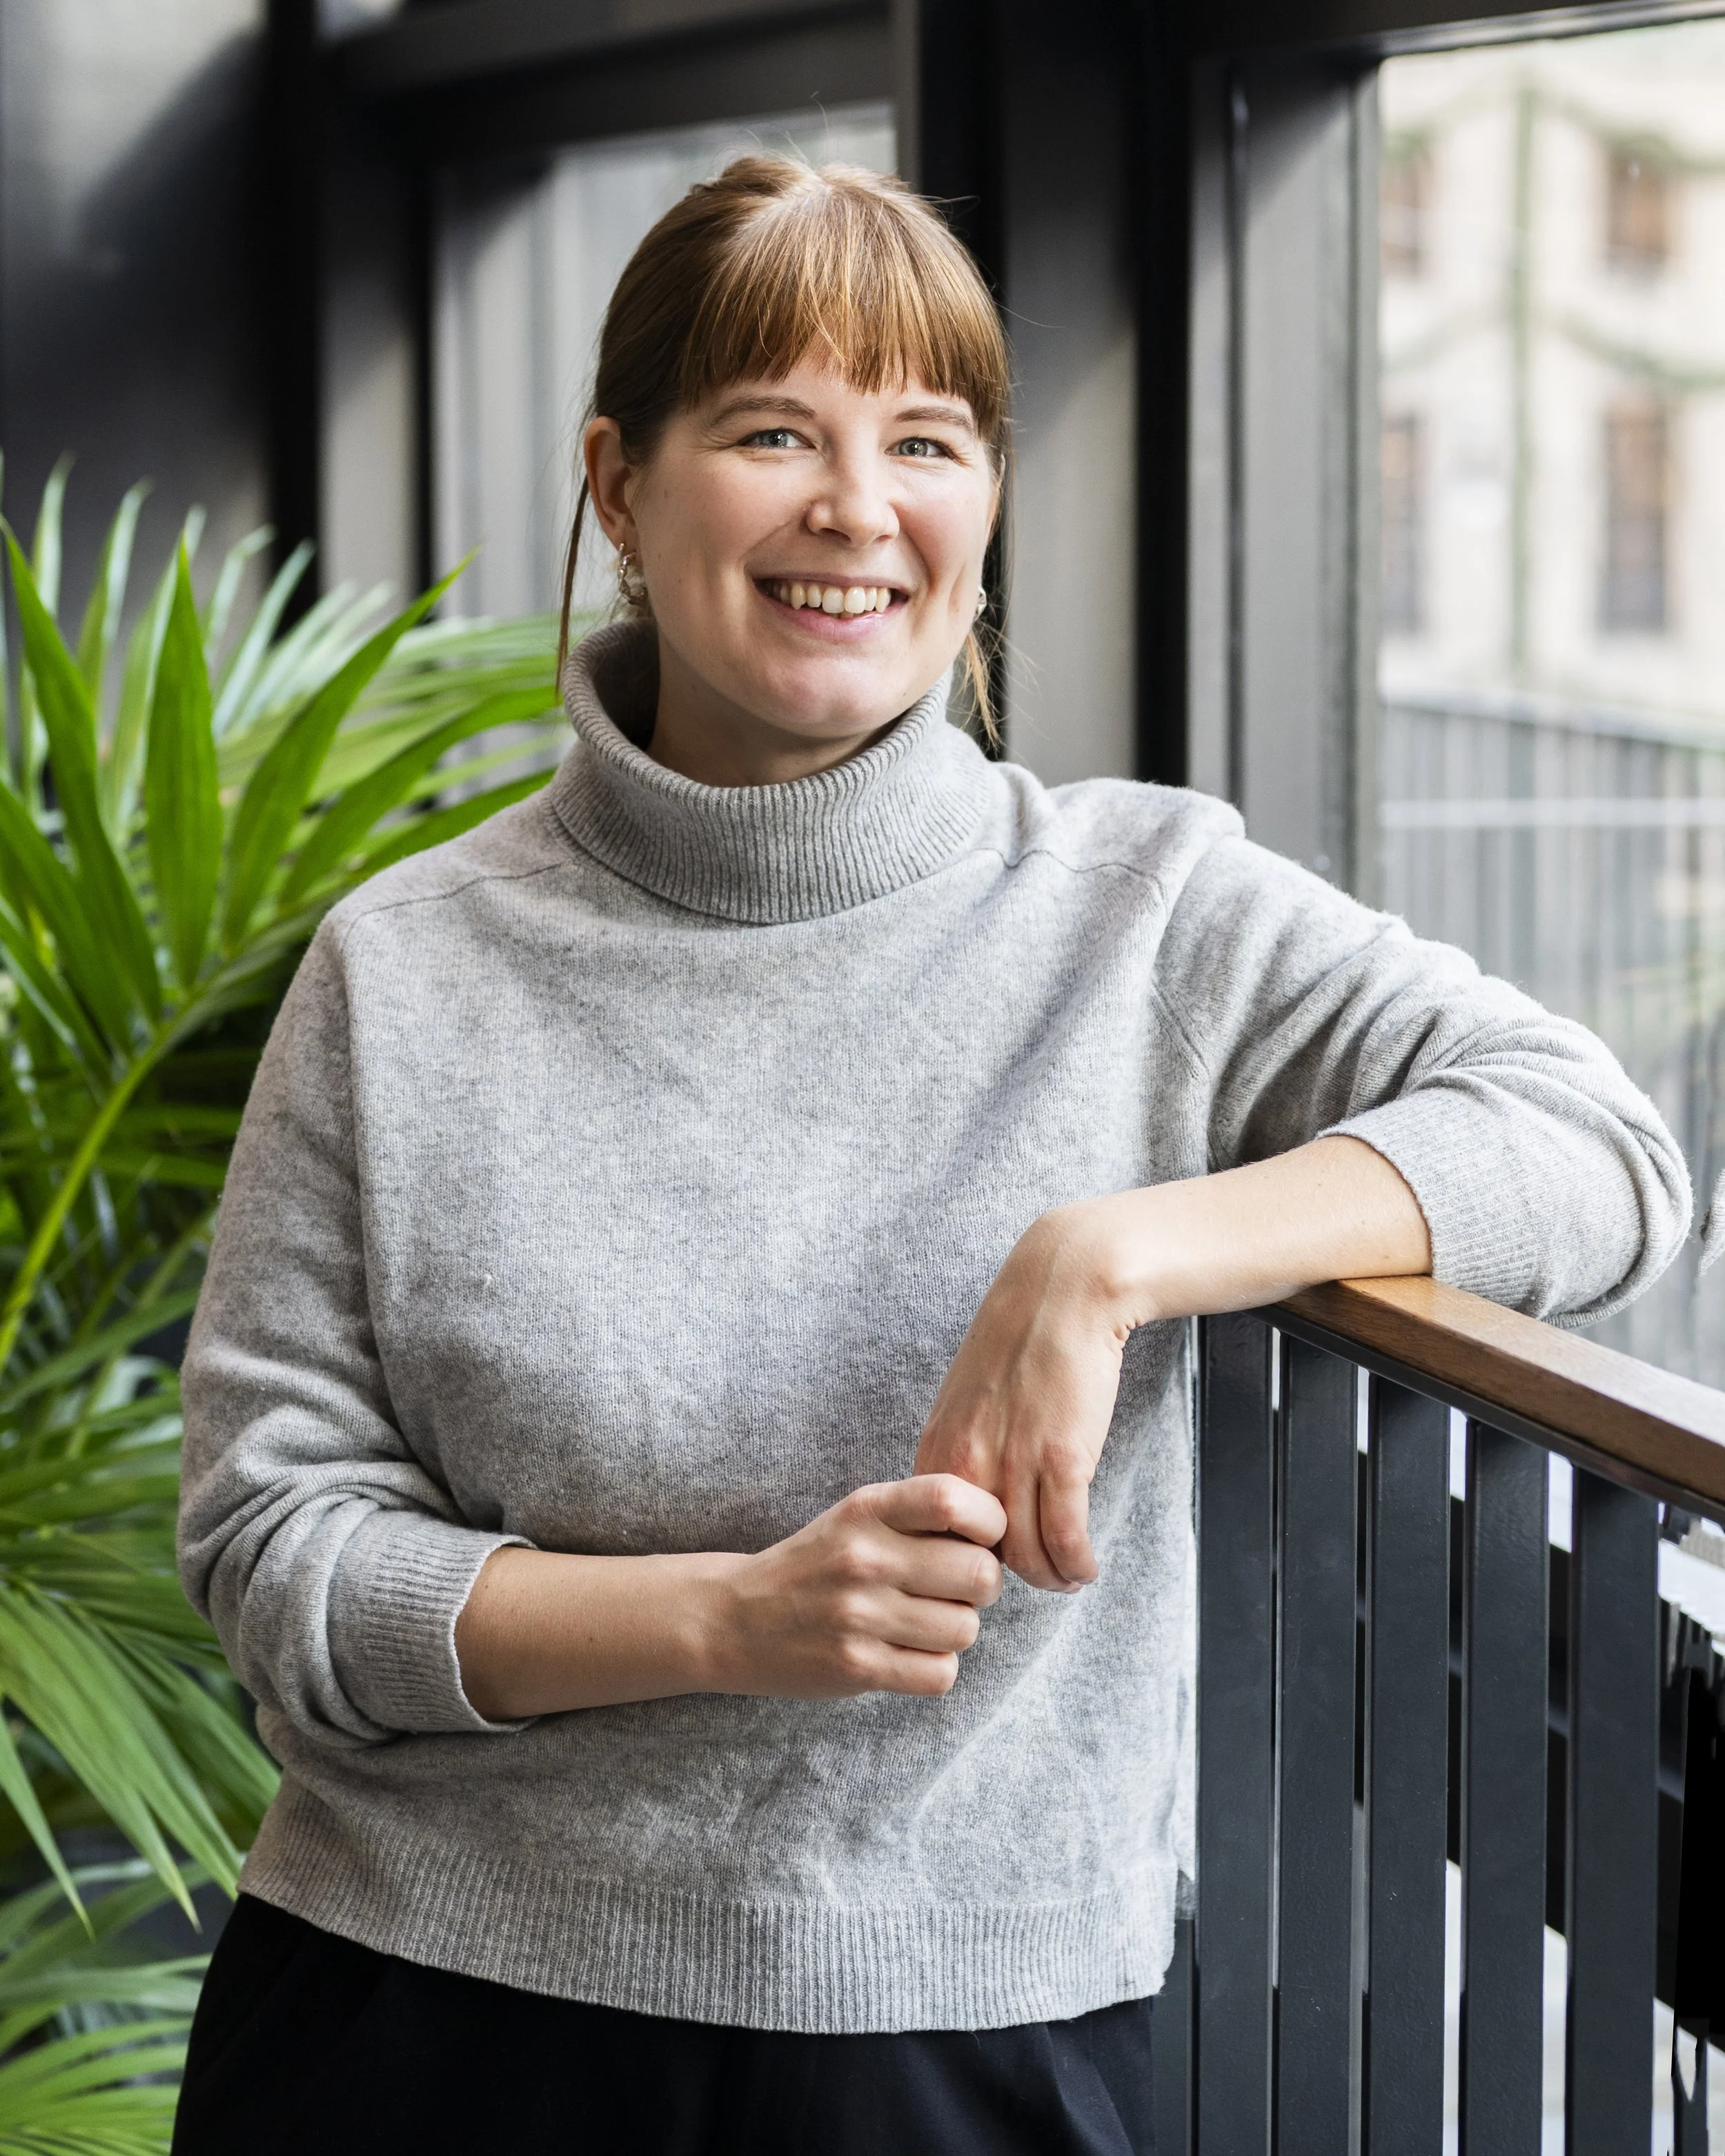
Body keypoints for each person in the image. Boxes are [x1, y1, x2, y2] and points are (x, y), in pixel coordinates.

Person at [171, 157, 1688, 2156]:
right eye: (771, 431)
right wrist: (723, 1620)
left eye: (927, 440)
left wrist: (1114, 1251)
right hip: (416, 2017)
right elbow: (274, 1547)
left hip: (957, 2036)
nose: (855, 509)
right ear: (618, 487)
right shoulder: (407, 966)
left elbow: (1597, 1144)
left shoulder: (1144, 907)